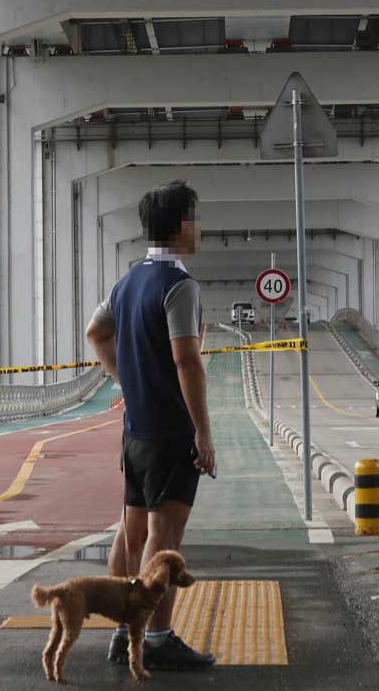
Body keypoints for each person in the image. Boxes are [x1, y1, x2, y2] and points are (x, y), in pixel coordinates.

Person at [85, 179, 217, 671]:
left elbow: (95, 332)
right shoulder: (180, 286)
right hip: (169, 432)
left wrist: (127, 379)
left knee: (131, 531)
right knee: (164, 539)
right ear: (183, 226)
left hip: (136, 432)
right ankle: (157, 636)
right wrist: (202, 432)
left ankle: (124, 630)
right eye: (196, 221)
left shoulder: (127, 282)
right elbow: (187, 362)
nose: (199, 230)